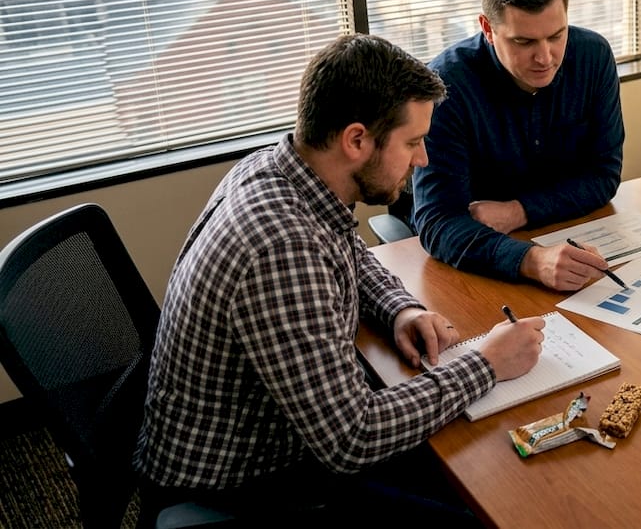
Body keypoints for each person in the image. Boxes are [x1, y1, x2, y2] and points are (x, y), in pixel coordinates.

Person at [134, 33, 546, 522]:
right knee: (483, 499)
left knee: (469, 456)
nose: (422, 160)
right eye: (412, 142)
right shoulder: (282, 248)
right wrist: (486, 363)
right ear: (356, 140)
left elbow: (347, 249)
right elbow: (354, 438)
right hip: (242, 484)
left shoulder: (278, 171)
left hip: (266, 435)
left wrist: (401, 308)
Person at [411, 0, 625, 292]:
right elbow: (439, 222)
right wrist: (532, 260)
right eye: (523, 41)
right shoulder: (446, 86)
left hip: (572, 245)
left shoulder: (593, 57)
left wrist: (518, 211)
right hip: (483, 268)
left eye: (556, 35)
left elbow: (604, 175)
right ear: (487, 28)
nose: (545, 57)